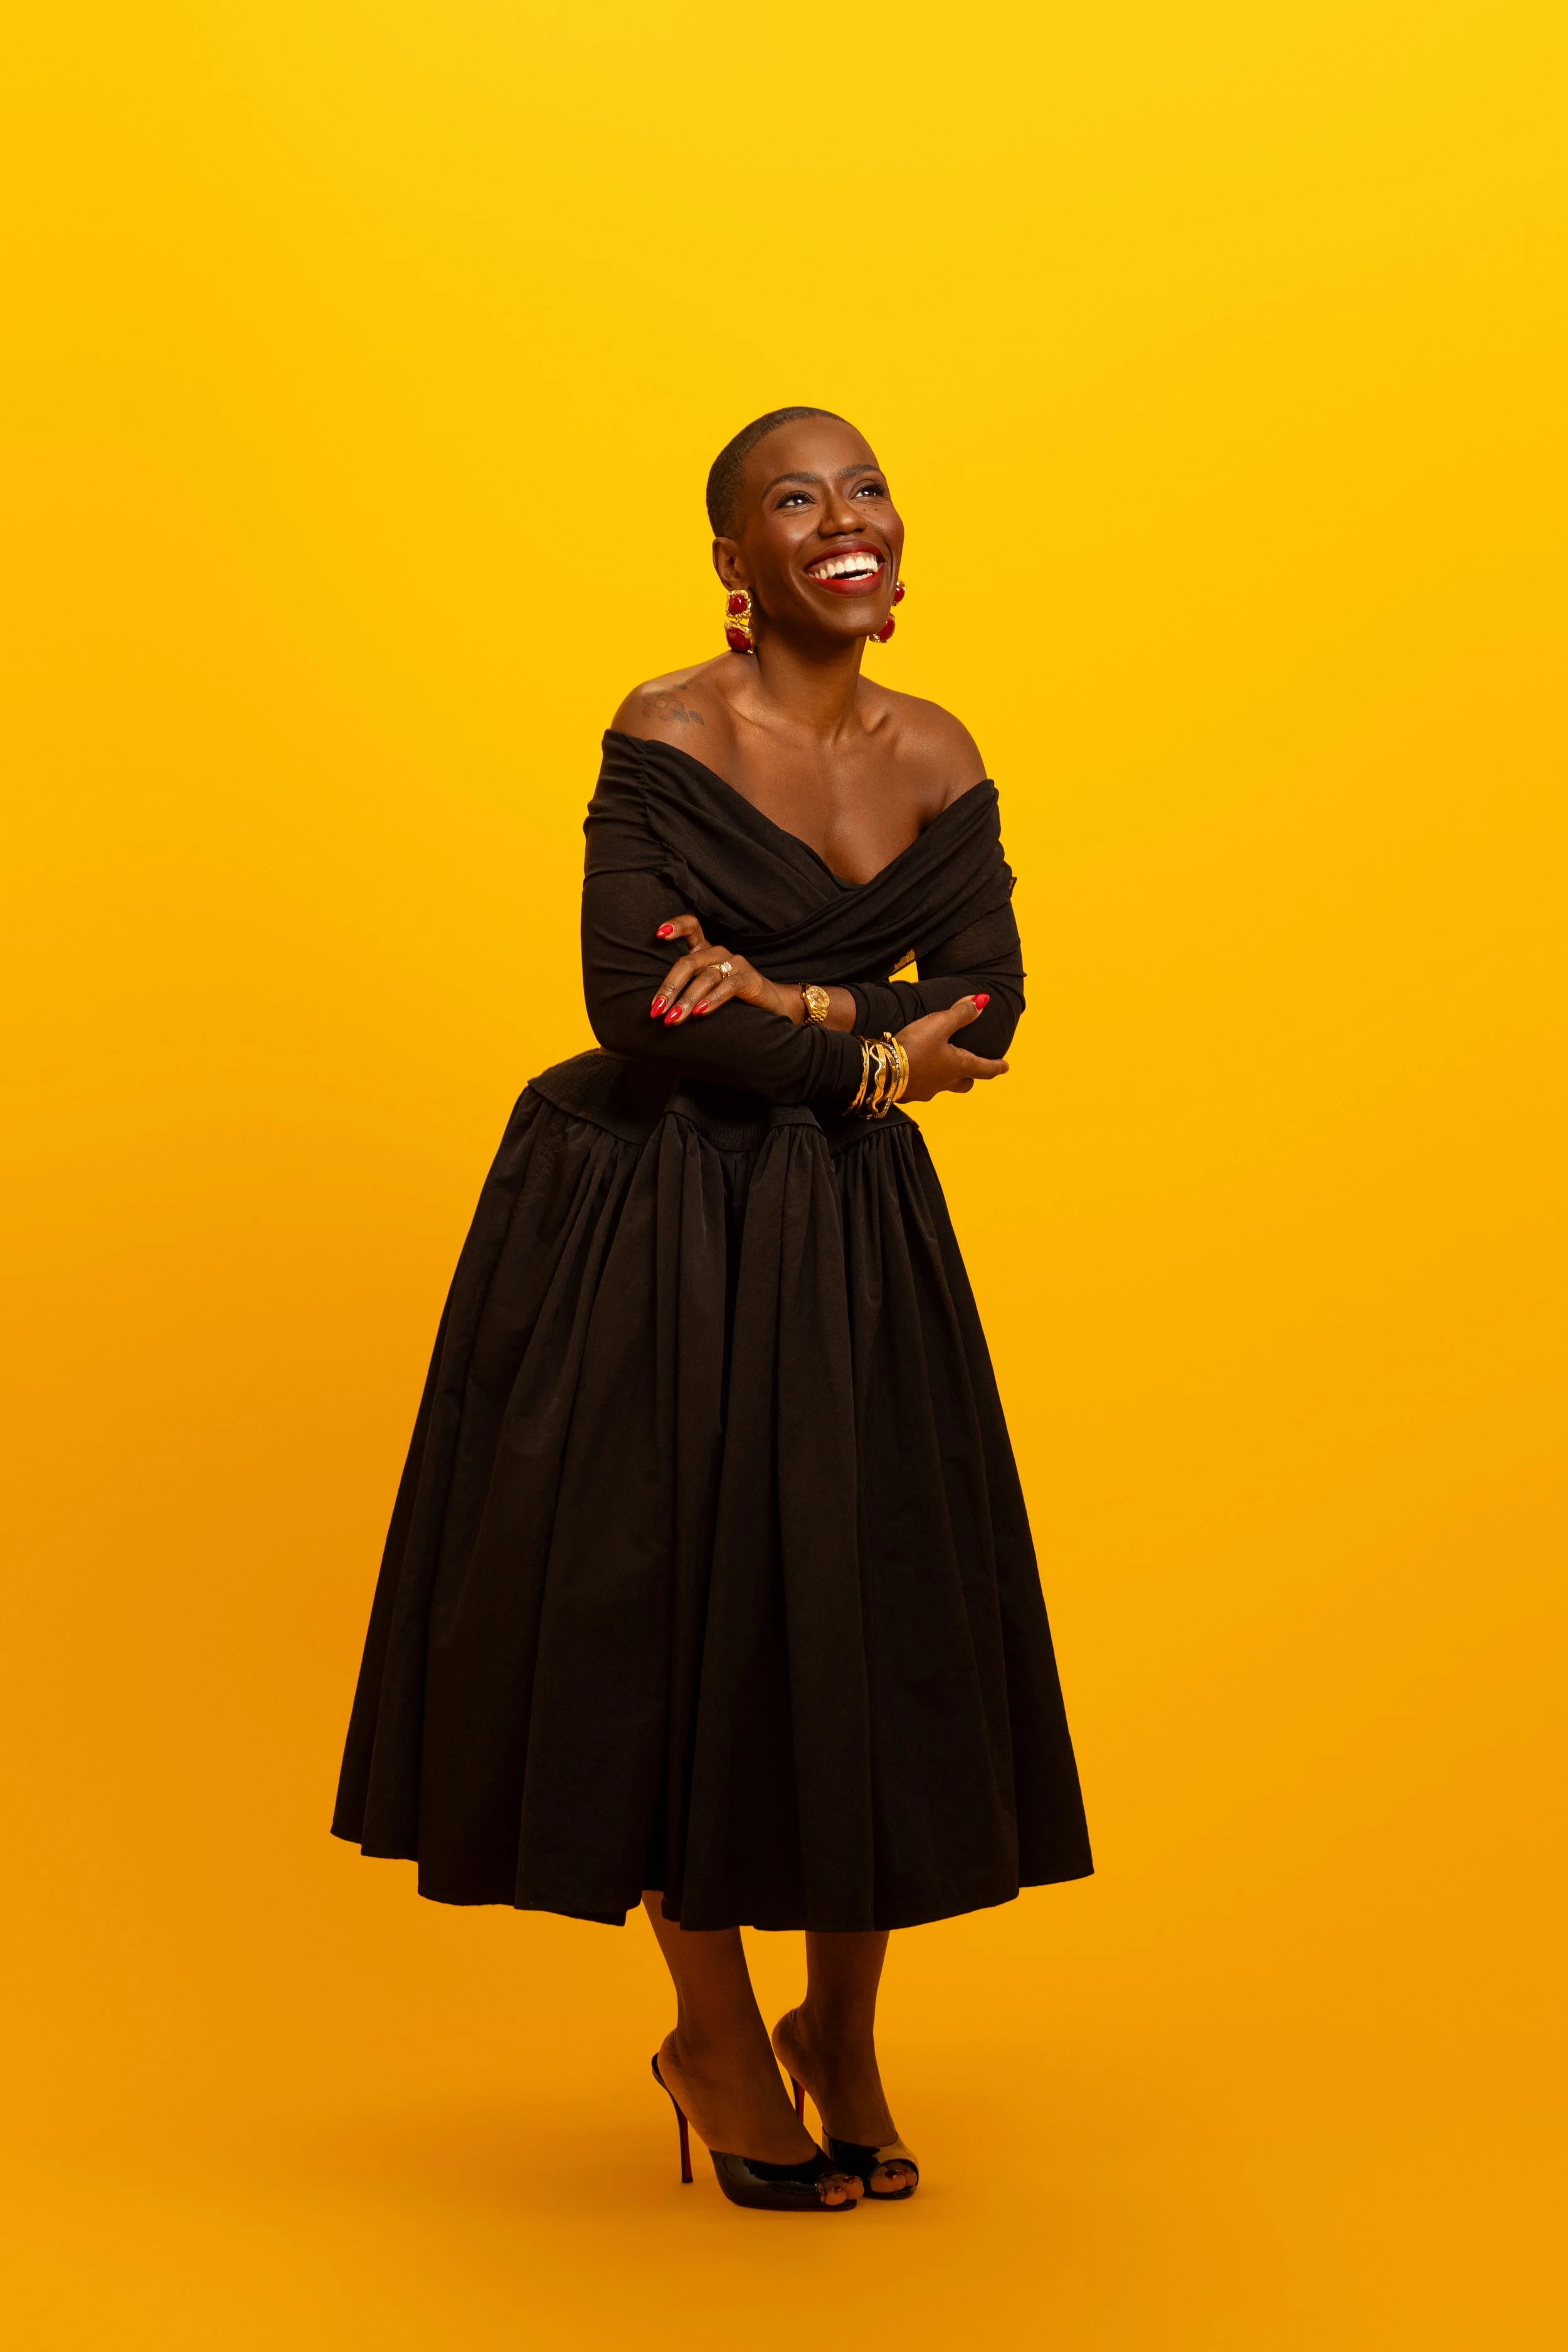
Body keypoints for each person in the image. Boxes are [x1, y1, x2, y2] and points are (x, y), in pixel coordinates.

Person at [332, 406, 1092, 2213]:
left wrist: (812, 1013)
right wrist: (870, 1037)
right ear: (734, 565)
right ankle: (717, 2034)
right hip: (655, 1222)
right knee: (678, 1617)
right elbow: (640, 1009)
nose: (843, 516)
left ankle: (843, 2029)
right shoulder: (664, 731)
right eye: (792, 498)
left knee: (860, 1608)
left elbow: (989, 1002)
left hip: (849, 1233)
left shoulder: (943, 749)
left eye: (865, 487)